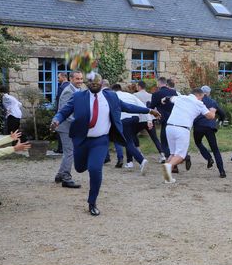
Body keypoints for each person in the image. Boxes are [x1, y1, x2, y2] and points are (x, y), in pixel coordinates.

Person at [51, 73, 159, 216]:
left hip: (100, 140)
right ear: (87, 84)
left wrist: (149, 110)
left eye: (97, 83)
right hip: (82, 140)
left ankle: (92, 202)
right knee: (79, 167)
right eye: (91, 84)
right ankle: (82, 167)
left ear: (101, 83)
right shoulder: (78, 97)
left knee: (95, 169)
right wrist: (56, 120)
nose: (94, 86)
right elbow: (64, 111)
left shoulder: (111, 97)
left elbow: (127, 107)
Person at [160, 88, 216, 183]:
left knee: (173, 154)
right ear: (199, 95)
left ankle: (167, 178)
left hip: (169, 127)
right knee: (181, 156)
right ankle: (168, 166)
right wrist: (213, 111)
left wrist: (164, 99)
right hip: (182, 128)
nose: (201, 100)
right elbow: (210, 116)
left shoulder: (181, 97)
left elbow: (168, 98)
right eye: (201, 98)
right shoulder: (199, 104)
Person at [53, 70, 83, 188]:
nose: (80, 81)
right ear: (71, 79)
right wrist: (80, 122)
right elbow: (65, 112)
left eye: (81, 79)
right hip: (65, 126)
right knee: (69, 152)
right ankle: (66, 178)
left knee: (69, 152)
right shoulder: (68, 92)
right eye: (77, 79)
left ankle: (60, 175)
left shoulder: (79, 90)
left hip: (71, 127)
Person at [111, 84, 149, 174]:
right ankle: (130, 162)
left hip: (124, 119)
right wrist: (149, 119)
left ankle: (141, 160)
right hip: (135, 118)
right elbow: (142, 106)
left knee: (127, 142)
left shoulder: (113, 96)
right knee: (129, 140)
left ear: (113, 90)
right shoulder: (130, 95)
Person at [193, 85, 227, 178]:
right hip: (209, 127)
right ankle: (222, 171)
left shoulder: (196, 101)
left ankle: (208, 158)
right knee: (215, 149)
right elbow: (222, 114)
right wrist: (220, 121)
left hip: (198, 126)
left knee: (198, 142)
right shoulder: (212, 102)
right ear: (208, 93)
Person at [134, 80, 164, 162]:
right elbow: (154, 107)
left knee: (133, 135)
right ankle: (162, 155)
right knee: (155, 138)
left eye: (137, 86)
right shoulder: (151, 95)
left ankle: (139, 152)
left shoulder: (134, 95)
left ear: (139, 87)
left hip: (140, 119)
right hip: (150, 119)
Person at [148, 77, 176, 163]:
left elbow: (151, 107)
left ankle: (170, 157)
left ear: (158, 84)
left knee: (164, 141)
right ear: (166, 83)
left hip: (164, 119)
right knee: (173, 139)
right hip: (174, 118)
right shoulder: (173, 92)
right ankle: (179, 156)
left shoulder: (156, 94)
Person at [54, 72, 71, 153]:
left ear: (64, 77)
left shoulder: (62, 87)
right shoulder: (71, 86)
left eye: (58, 77)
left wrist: (58, 113)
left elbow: (60, 101)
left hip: (62, 112)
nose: (57, 79)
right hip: (71, 112)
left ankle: (60, 148)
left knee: (60, 129)